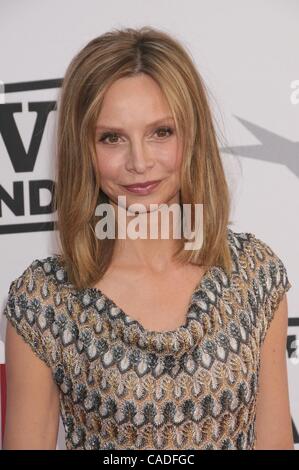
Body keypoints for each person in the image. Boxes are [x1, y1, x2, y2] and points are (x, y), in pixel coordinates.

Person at [2, 26, 294, 450]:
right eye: (112, 138)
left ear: (191, 135)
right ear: (83, 149)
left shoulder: (253, 275)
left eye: (161, 132)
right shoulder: (44, 302)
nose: (139, 162)